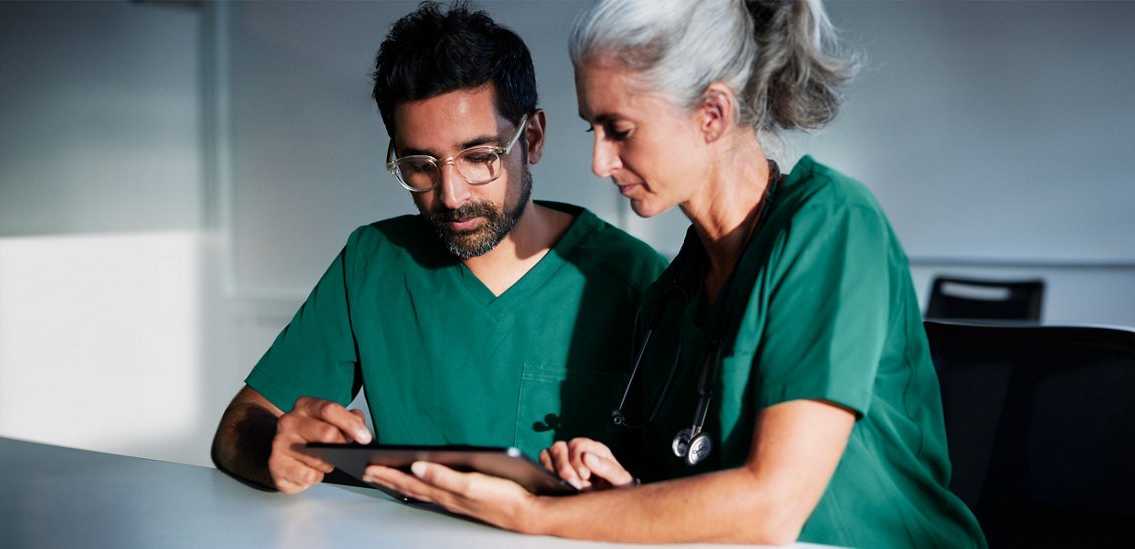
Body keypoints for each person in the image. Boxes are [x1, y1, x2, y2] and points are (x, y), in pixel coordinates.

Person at [361, 0, 988, 546]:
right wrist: (621, 489)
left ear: (711, 114)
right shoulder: (672, 291)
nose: (600, 161)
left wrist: (533, 515)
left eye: (619, 131)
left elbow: (772, 506)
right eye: (593, 128)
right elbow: (697, 486)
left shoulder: (832, 225)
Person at [210, 1, 667, 495]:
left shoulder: (639, 281)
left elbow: (684, 487)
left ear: (531, 137)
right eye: (421, 165)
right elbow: (238, 428)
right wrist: (278, 448)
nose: (451, 196)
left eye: (478, 157)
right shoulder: (374, 262)